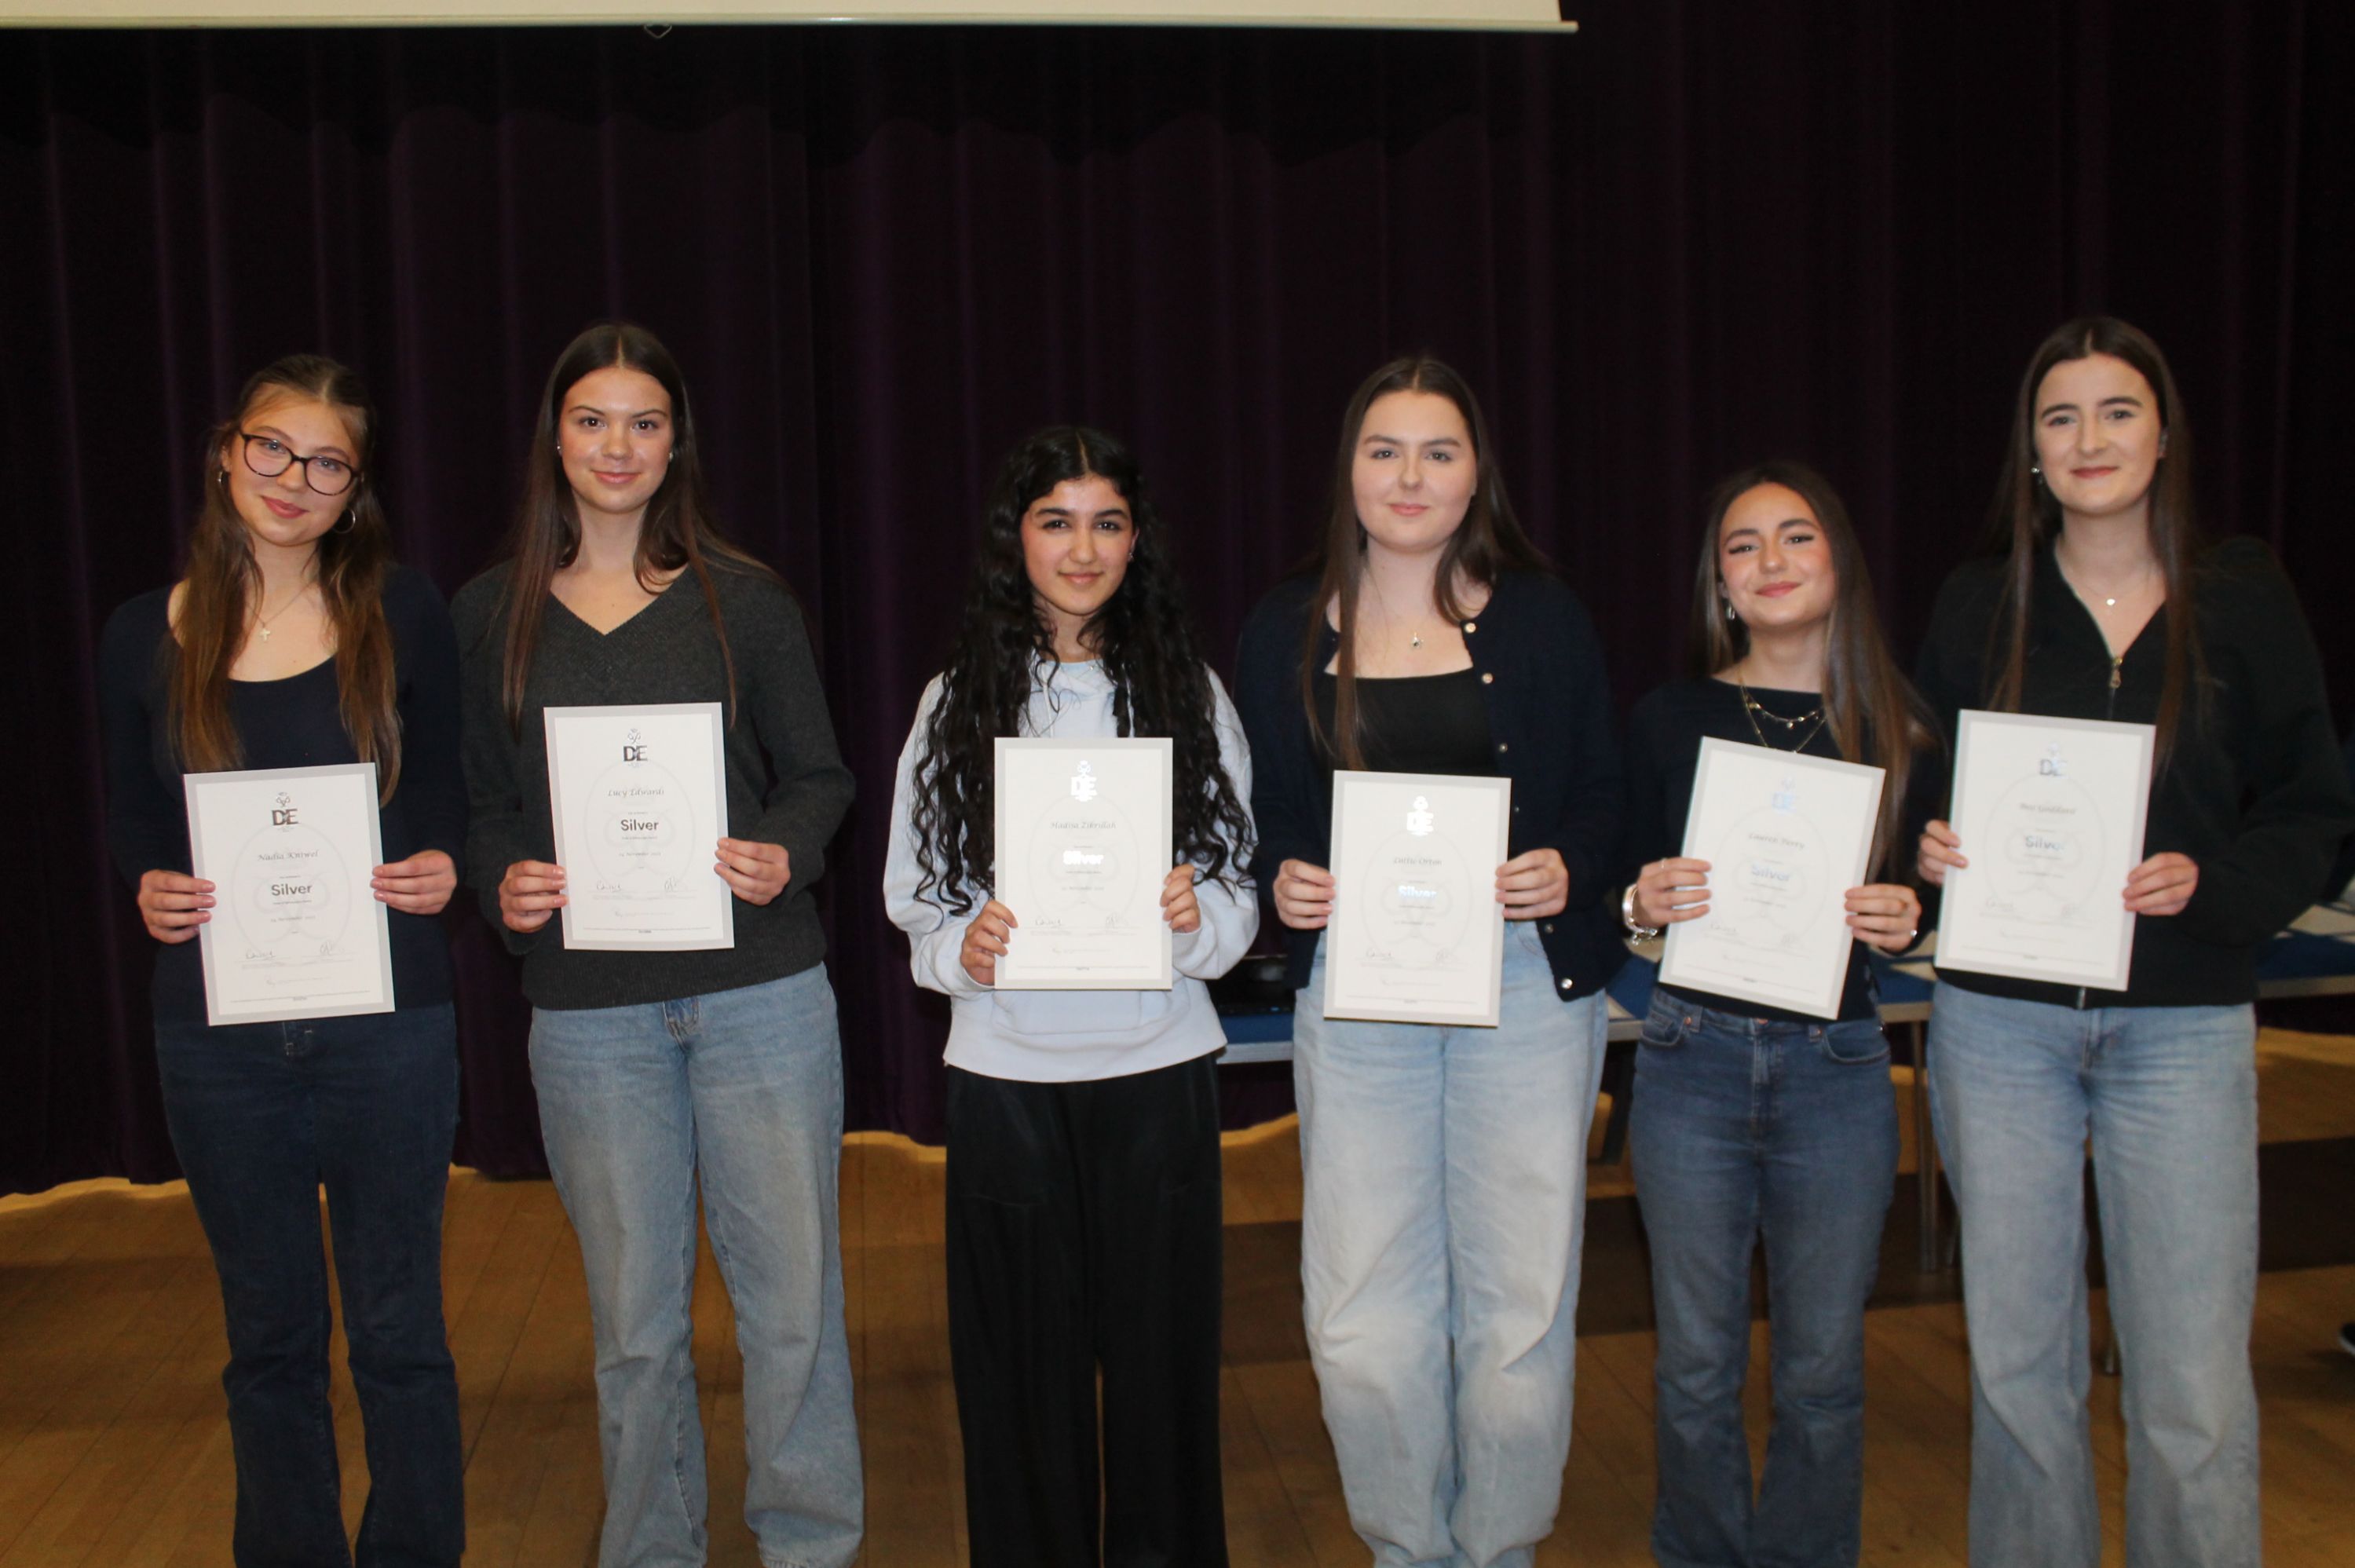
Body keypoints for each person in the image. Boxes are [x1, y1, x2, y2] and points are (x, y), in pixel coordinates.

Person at [1915, 316, 2355, 1567]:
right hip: (1998, 1026)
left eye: (2117, 411)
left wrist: (2216, 886)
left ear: (2163, 436)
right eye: (2061, 418)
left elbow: (2315, 806)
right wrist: (1928, 850)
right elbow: (1921, 795)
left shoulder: (2244, 597)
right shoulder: (1975, 599)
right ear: (2031, 453)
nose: (2090, 438)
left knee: (2194, 1382)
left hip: (2182, 1024)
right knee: (2018, 1368)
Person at [454, 322, 861, 1568]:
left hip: (760, 995)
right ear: (556, 440)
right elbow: (483, 809)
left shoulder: (747, 600)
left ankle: (807, 1545)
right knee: (634, 1326)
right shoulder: (489, 615)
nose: (617, 446)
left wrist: (784, 851)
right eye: (592, 420)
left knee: (792, 1310)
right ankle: (649, 1549)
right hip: (589, 1016)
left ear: (676, 440)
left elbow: (822, 778)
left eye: (643, 421)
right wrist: (502, 883)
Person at [1234, 355, 1620, 1568]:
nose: (1411, 476)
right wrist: (1285, 875)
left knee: (1517, 1306)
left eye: (1439, 451)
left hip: (1522, 984)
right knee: (1360, 1313)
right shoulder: (1281, 625)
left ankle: (1498, 1549)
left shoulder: (1547, 616)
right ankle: (1407, 1546)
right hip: (1360, 988)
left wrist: (1568, 866)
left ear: (1477, 473)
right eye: (1385, 450)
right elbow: (1263, 813)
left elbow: (1609, 793)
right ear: (1348, 470)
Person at [99, 355, 466, 1566]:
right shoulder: (137, 634)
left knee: (399, 1325)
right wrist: (151, 888)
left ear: (354, 486)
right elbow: (136, 829)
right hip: (215, 1032)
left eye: (326, 463)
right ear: (226, 451)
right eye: (273, 448)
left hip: (388, 1018)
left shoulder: (403, 608)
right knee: (268, 1336)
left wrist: (444, 862)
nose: (294, 480)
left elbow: (457, 790)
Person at [883, 426, 1257, 1567]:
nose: (1082, 547)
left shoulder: (1187, 694)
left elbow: (1237, 890)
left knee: (1163, 1385)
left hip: (1158, 1079)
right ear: (1018, 540)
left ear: (1136, 541)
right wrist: (970, 948)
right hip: (1008, 1085)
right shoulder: (957, 703)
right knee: (1019, 1390)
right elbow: (916, 896)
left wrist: (1200, 920)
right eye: (1056, 520)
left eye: (1107, 522)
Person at [1618, 461, 1935, 1567]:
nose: (1770, 562)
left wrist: (1913, 913)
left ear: (1837, 558)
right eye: (1742, 546)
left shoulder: (1903, 725)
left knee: (1822, 1371)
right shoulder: (1667, 719)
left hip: (1840, 1067)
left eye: (1794, 536)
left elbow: (1929, 896)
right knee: (1694, 1367)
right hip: (1688, 1064)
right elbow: (1625, 893)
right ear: (1721, 584)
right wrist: (1639, 902)